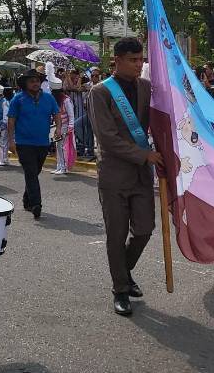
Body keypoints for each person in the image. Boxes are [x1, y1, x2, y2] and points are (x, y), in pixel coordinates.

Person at [88, 38, 162, 317]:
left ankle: (123, 271)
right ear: (117, 60)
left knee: (144, 229)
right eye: (132, 60)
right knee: (116, 234)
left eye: (141, 59)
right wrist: (145, 155)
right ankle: (120, 288)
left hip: (142, 175)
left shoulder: (145, 87)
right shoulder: (100, 92)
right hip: (114, 175)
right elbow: (107, 138)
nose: (138, 64)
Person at [8, 69, 59, 219]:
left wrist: (59, 128)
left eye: (37, 80)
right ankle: (37, 204)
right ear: (25, 84)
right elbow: (11, 120)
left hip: (43, 142)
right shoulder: (17, 99)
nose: (36, 83)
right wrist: (11, 140)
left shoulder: (49, 98)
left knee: (34, 173)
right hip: (24, 143)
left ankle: (27, 199)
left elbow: (56, 113)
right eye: (32, 81)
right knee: (31, 172)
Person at [52, 84, 76, 175]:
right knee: (58, 146)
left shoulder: (66, 100)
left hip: (65, 126)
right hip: (57, 126)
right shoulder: (56, 100)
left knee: (63, 147)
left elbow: (71, 114)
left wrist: (70, 126)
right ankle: (59, 165)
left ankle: (64, 167)